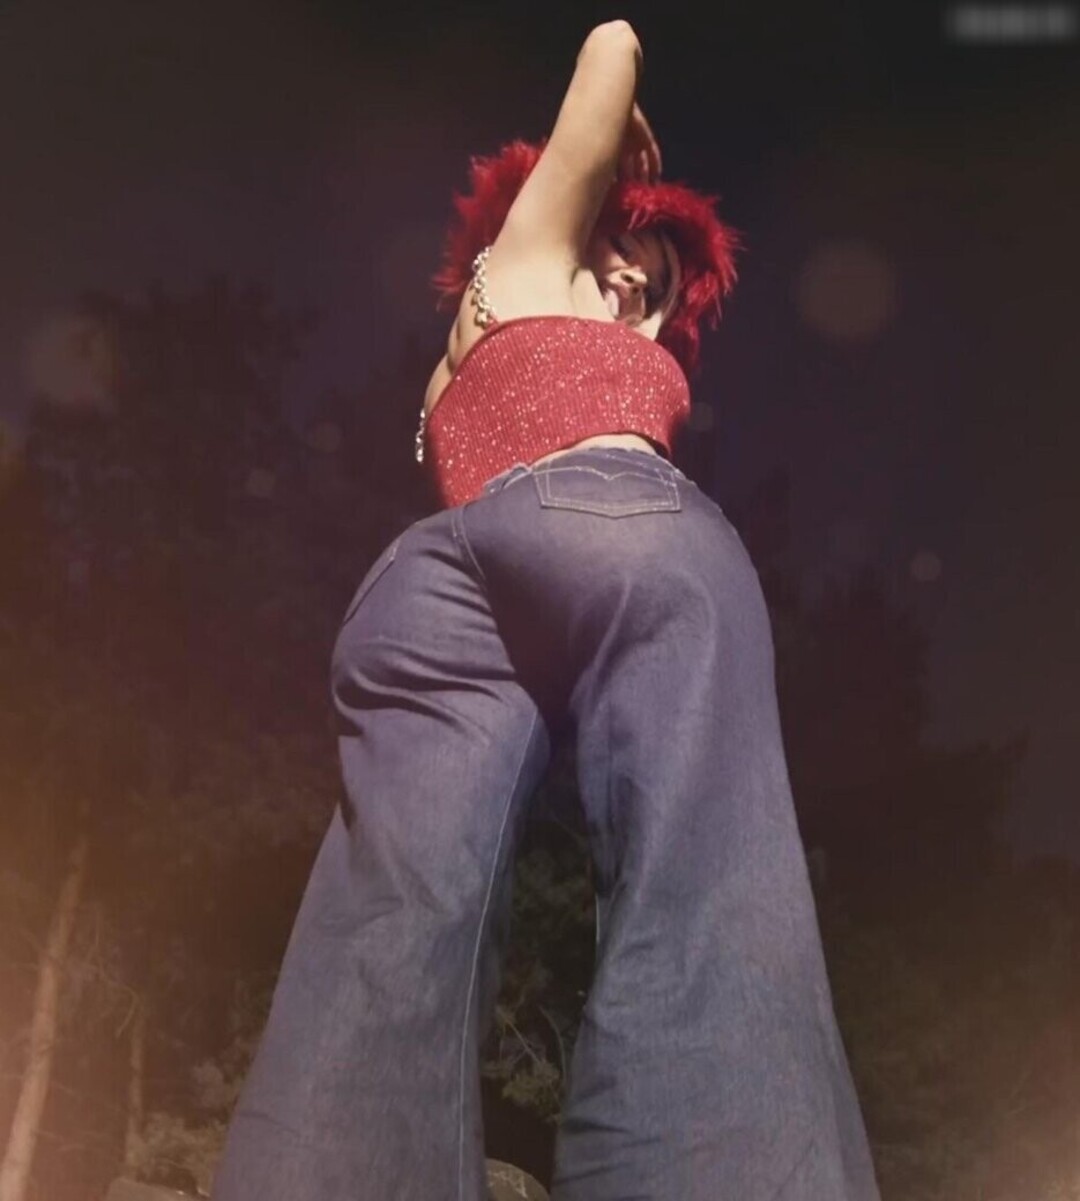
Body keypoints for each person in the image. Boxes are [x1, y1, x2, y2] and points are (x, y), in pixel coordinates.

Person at [215, 20, 881, 1201]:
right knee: (705, 862)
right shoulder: (528, 260)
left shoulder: (459, 352)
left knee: (393, 916)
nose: (639, 285)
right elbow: (612, 40)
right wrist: (622, 137)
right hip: (613, 522)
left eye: (660, 287)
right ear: (567, 221)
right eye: (629, 251)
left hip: (427, 593)